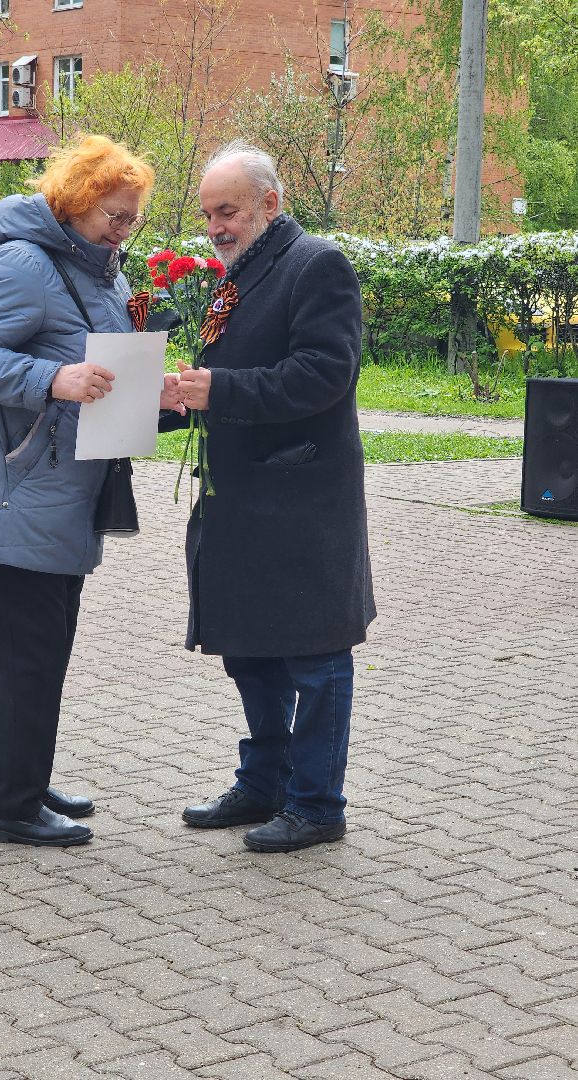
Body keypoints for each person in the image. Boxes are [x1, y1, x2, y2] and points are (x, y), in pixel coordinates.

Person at [0, 135, 183, 848]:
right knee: (28, 656)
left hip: (64, 494)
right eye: (113, 213)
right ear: (74, 202)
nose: (123, 228)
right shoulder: (21, 263)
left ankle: (27, 779)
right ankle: (10, 809)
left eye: (132, 218)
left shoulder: (103, 275)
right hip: (16, 493)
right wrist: (52, 379)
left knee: (44, 651)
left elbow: (101, 375)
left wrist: (159, 397)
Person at [173, 140, 376, 853]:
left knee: (316, 658)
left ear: (271, 203)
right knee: (250, 651)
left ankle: (318, 804)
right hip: (242, 502)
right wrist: (178, 394)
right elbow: (226, 376)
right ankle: (265, 782)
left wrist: (217, 389)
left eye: (226, 211)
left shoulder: (317, 265)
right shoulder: (237, 279)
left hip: (301, 501)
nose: (215, 228)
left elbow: (323, 376)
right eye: (207, 215)